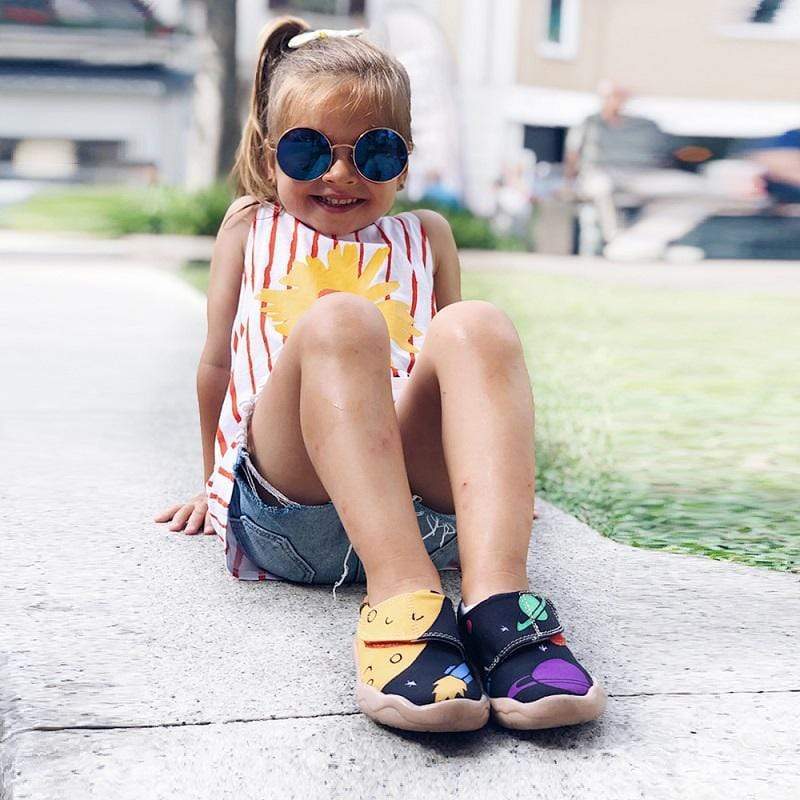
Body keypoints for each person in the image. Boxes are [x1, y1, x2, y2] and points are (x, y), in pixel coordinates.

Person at [154, 17, 605, 733]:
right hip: (291, 509)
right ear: (272, 155)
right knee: (343, 320)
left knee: (477, 324)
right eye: (308, 151)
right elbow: (217, 363)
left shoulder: (426, 235)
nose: (340, 174)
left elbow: (462, 383)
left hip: (422, 513)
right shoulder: (249, 225)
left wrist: (499, 495)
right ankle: (400, 597)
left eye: (375, 151)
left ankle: (497, 599)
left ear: (404, 161)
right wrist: (211, 484)